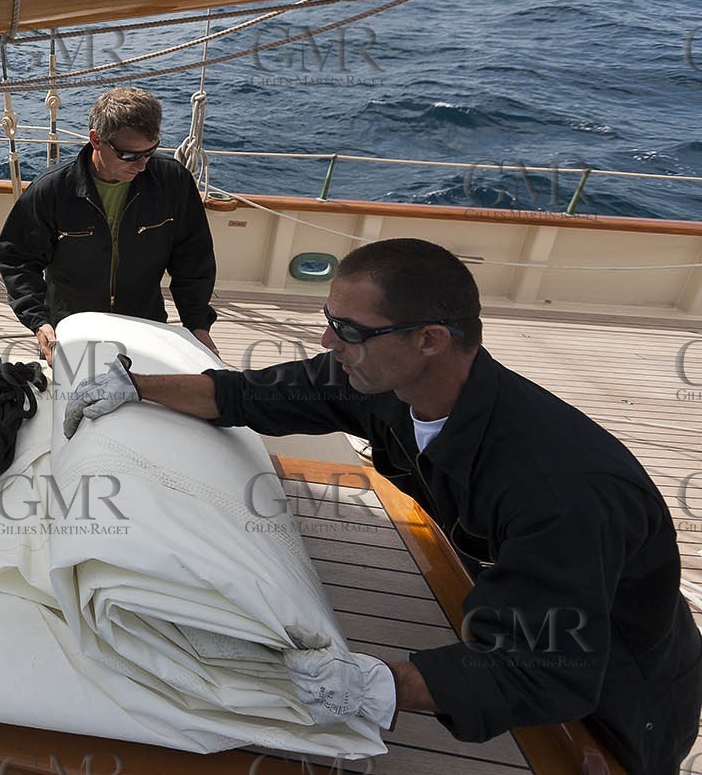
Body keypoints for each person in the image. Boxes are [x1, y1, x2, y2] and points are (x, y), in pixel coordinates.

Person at [64, 238, 702, 775]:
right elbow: (259, 394)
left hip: (621, 682)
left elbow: (549, 668)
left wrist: (372, 684)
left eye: (349, 330)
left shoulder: (560, 490)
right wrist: (136, 387)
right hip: (523, 601)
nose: (327, 340)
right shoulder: (388, 381)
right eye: (328, 319)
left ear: (429, 339)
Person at [0, 86, 218, 366]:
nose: (142, 166)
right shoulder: (51, 190)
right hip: (71, 330)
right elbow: (17, 259)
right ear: (96, 140)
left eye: (150, 152)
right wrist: (39, 321)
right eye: (129, 155)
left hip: (145, 328)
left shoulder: (173, 183)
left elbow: (193, 259)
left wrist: (198, 324)